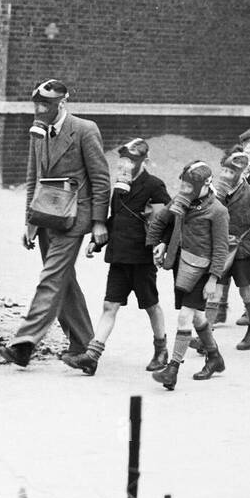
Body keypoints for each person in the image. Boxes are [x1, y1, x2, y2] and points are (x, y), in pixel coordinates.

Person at [0, 80, 111, 369]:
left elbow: (100, 179)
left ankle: (24, 343)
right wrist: (29, 222)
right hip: (46, 215)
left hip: (74, 218)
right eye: (36, 104)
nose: (39, 110)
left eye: (45, 105)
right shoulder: (37, 132)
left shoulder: (85, 130)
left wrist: (99, 222)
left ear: (61, 104)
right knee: (63, 281)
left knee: (50, 278)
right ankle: (86, 347)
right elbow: (32, 178)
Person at [63, 138, 170, 376]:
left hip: (142, 260)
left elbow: (167, 219)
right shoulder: (119, 189)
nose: (125, 165)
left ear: (144, 162)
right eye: (123, 160)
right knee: (109, 305)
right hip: (120, 258)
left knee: (151, 306)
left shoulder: (154, 186)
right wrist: (96, 242)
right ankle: (92, 357)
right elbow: (115, 220)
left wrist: (161, 243)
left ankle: (161, 349)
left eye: (131, 160)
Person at [147, 162, 231, 390]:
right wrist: (158, 243)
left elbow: (222, 248)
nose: (186, 190)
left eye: (191, 186)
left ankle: (172, 370)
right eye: (184, 185)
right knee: (197, 317)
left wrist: (214, 279)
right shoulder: (181, 201)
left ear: (207, 184)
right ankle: (215, 357)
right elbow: (161, 221)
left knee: (185, 316)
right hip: (182, 266)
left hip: (203, 271)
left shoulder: (218, 211)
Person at [212, 150, 250, 350]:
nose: (225, 175)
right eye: (224, 170)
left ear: (240, 173)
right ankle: (207, 337)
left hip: (244, 250)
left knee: (245, 292)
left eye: (230, 171)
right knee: (215, 292)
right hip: (222, 248)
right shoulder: (217, 193)